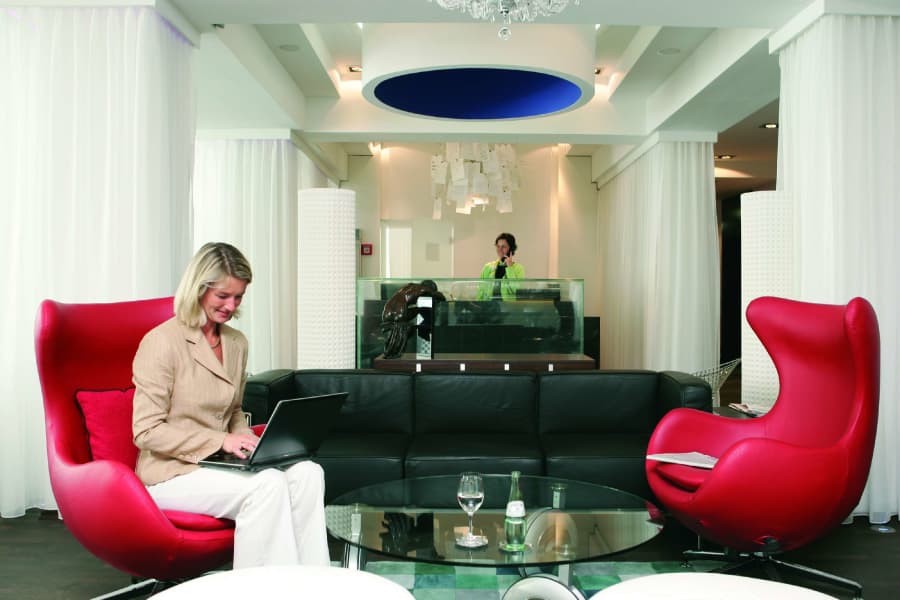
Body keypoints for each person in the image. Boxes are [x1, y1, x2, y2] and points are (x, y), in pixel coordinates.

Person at [132, 242, 329, 568]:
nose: (231, 305)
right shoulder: (161, 343)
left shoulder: (236, 342)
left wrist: (249, 442)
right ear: (199, 288)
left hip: (221, 465)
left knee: (308, 473)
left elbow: (234, 410)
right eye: (223, 296)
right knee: (268, 486)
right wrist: (222, 440)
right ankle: (260, 589)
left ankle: (310, 582)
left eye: (238, 297)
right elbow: (146, 431)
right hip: (171, 473)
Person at [479, 232, 524, 300]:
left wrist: (510, 268)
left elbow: (516, 290)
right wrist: (479, 304)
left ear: (511, 249)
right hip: (489, 304)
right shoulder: (487, 267)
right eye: (498, 246)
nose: (499, 249)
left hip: (507, 305)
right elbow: (480, 291)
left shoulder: (519, 268)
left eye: (503, 247)